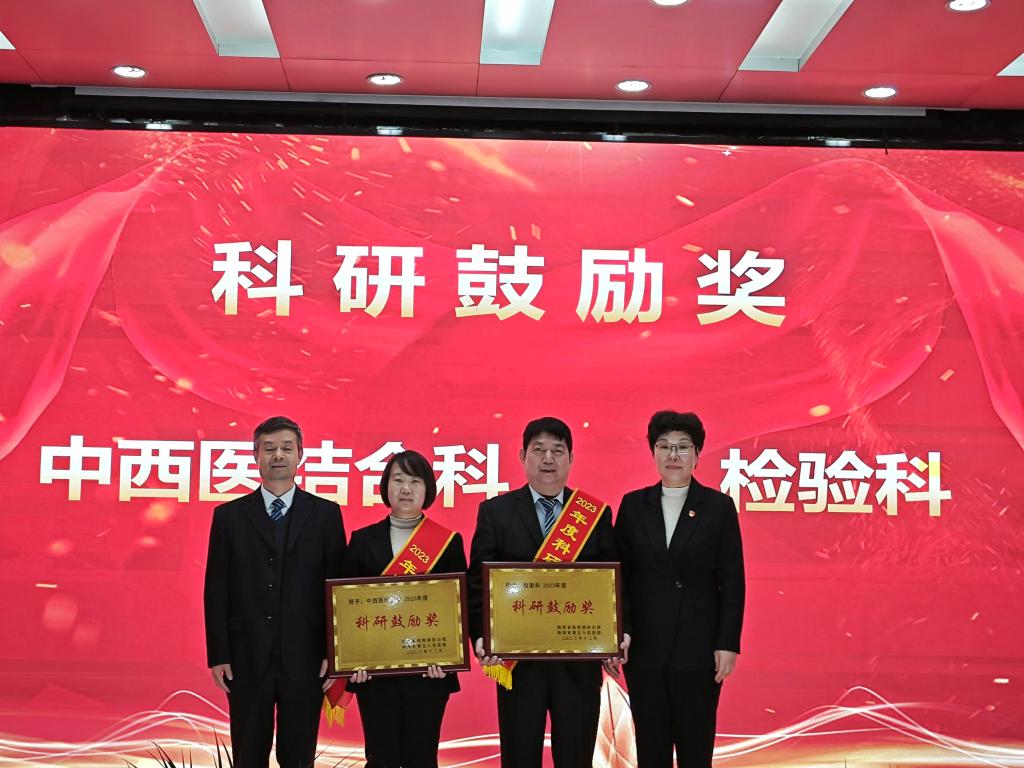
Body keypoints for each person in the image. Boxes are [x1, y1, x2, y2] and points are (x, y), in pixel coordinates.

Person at [467, 416, 620, 768]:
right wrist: (482, 636)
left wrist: (616, 636)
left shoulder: (594, 515)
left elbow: (613, 583)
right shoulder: (496, 512)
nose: (548, 459)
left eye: (557, 450)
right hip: (518, 663)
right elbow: (478, 582)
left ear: (571, 458)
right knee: (519, 756)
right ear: (523, 456)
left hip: (578, 663)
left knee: (576, 757)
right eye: (539, 450)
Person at [204, 416, 347, 768]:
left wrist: (335, 651)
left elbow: (337, 588)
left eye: (286, 448)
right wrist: (218, 653)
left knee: (298, 755)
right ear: (256, 456)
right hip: (246, 655)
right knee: (248, 753)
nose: (278, 455)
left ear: (300, 455)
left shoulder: (325, 515)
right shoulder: (229, 517)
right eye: (269, 449)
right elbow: (217, 588)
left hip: (307, 655)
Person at [613, 410, 745, 768]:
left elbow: (732, 580)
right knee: (651, 746)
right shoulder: (633, 505)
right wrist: (619, 633)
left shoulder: (718, 507)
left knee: (695, 746)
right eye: (664, 446)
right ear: (653, 452)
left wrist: (727, 643)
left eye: (683, 446)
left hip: (699, 649)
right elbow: (619, 579)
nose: (673, 454)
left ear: (697, 454)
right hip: (645, 648)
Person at [344, 450, 467, 768]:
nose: (406, 489)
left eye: (415, 481)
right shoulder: (362, 540)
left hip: (428, 673)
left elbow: (458, 606)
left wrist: (447, 657)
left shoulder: (448, 543)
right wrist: (351, 660)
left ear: (428, 489)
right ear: (386, 487)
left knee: (422, 758)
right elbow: (345, 609)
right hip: (375, 676)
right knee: (380, 758)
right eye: (398, 480)